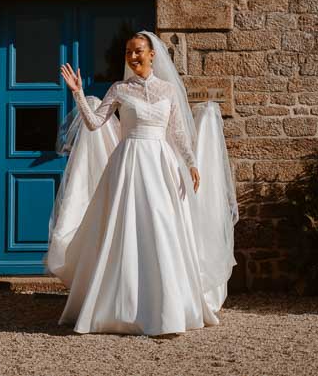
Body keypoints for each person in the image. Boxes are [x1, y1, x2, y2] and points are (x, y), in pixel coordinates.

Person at [47, 31, 236, 336]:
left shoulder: (167, 90)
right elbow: (95, 124)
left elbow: (176, 133)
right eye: (128, 52)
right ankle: (121, 308)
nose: (133, 57)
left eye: (138, 51)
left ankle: (168, 308)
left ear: (152, 55)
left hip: (160, 164)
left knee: (161, 228)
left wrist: (190, 163)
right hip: (128, 164)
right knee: (125, 229)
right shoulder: (119, 89)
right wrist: (78, 94)